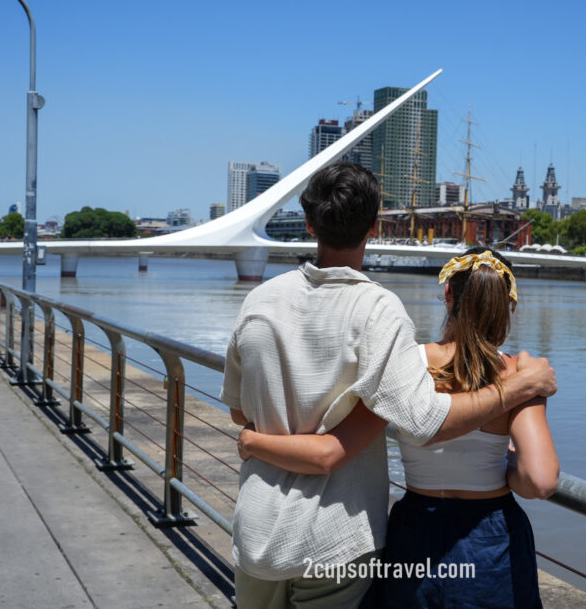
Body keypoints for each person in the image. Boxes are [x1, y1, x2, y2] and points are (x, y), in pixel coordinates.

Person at [220, 162, 556, 608]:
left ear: (308, 224)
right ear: (375, 226)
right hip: (344, 537)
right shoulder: (382, 312)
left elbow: (241, 412)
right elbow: (426, 422)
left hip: (271, 531)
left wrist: (254, 439)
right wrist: (514, 393)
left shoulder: (259, 300)